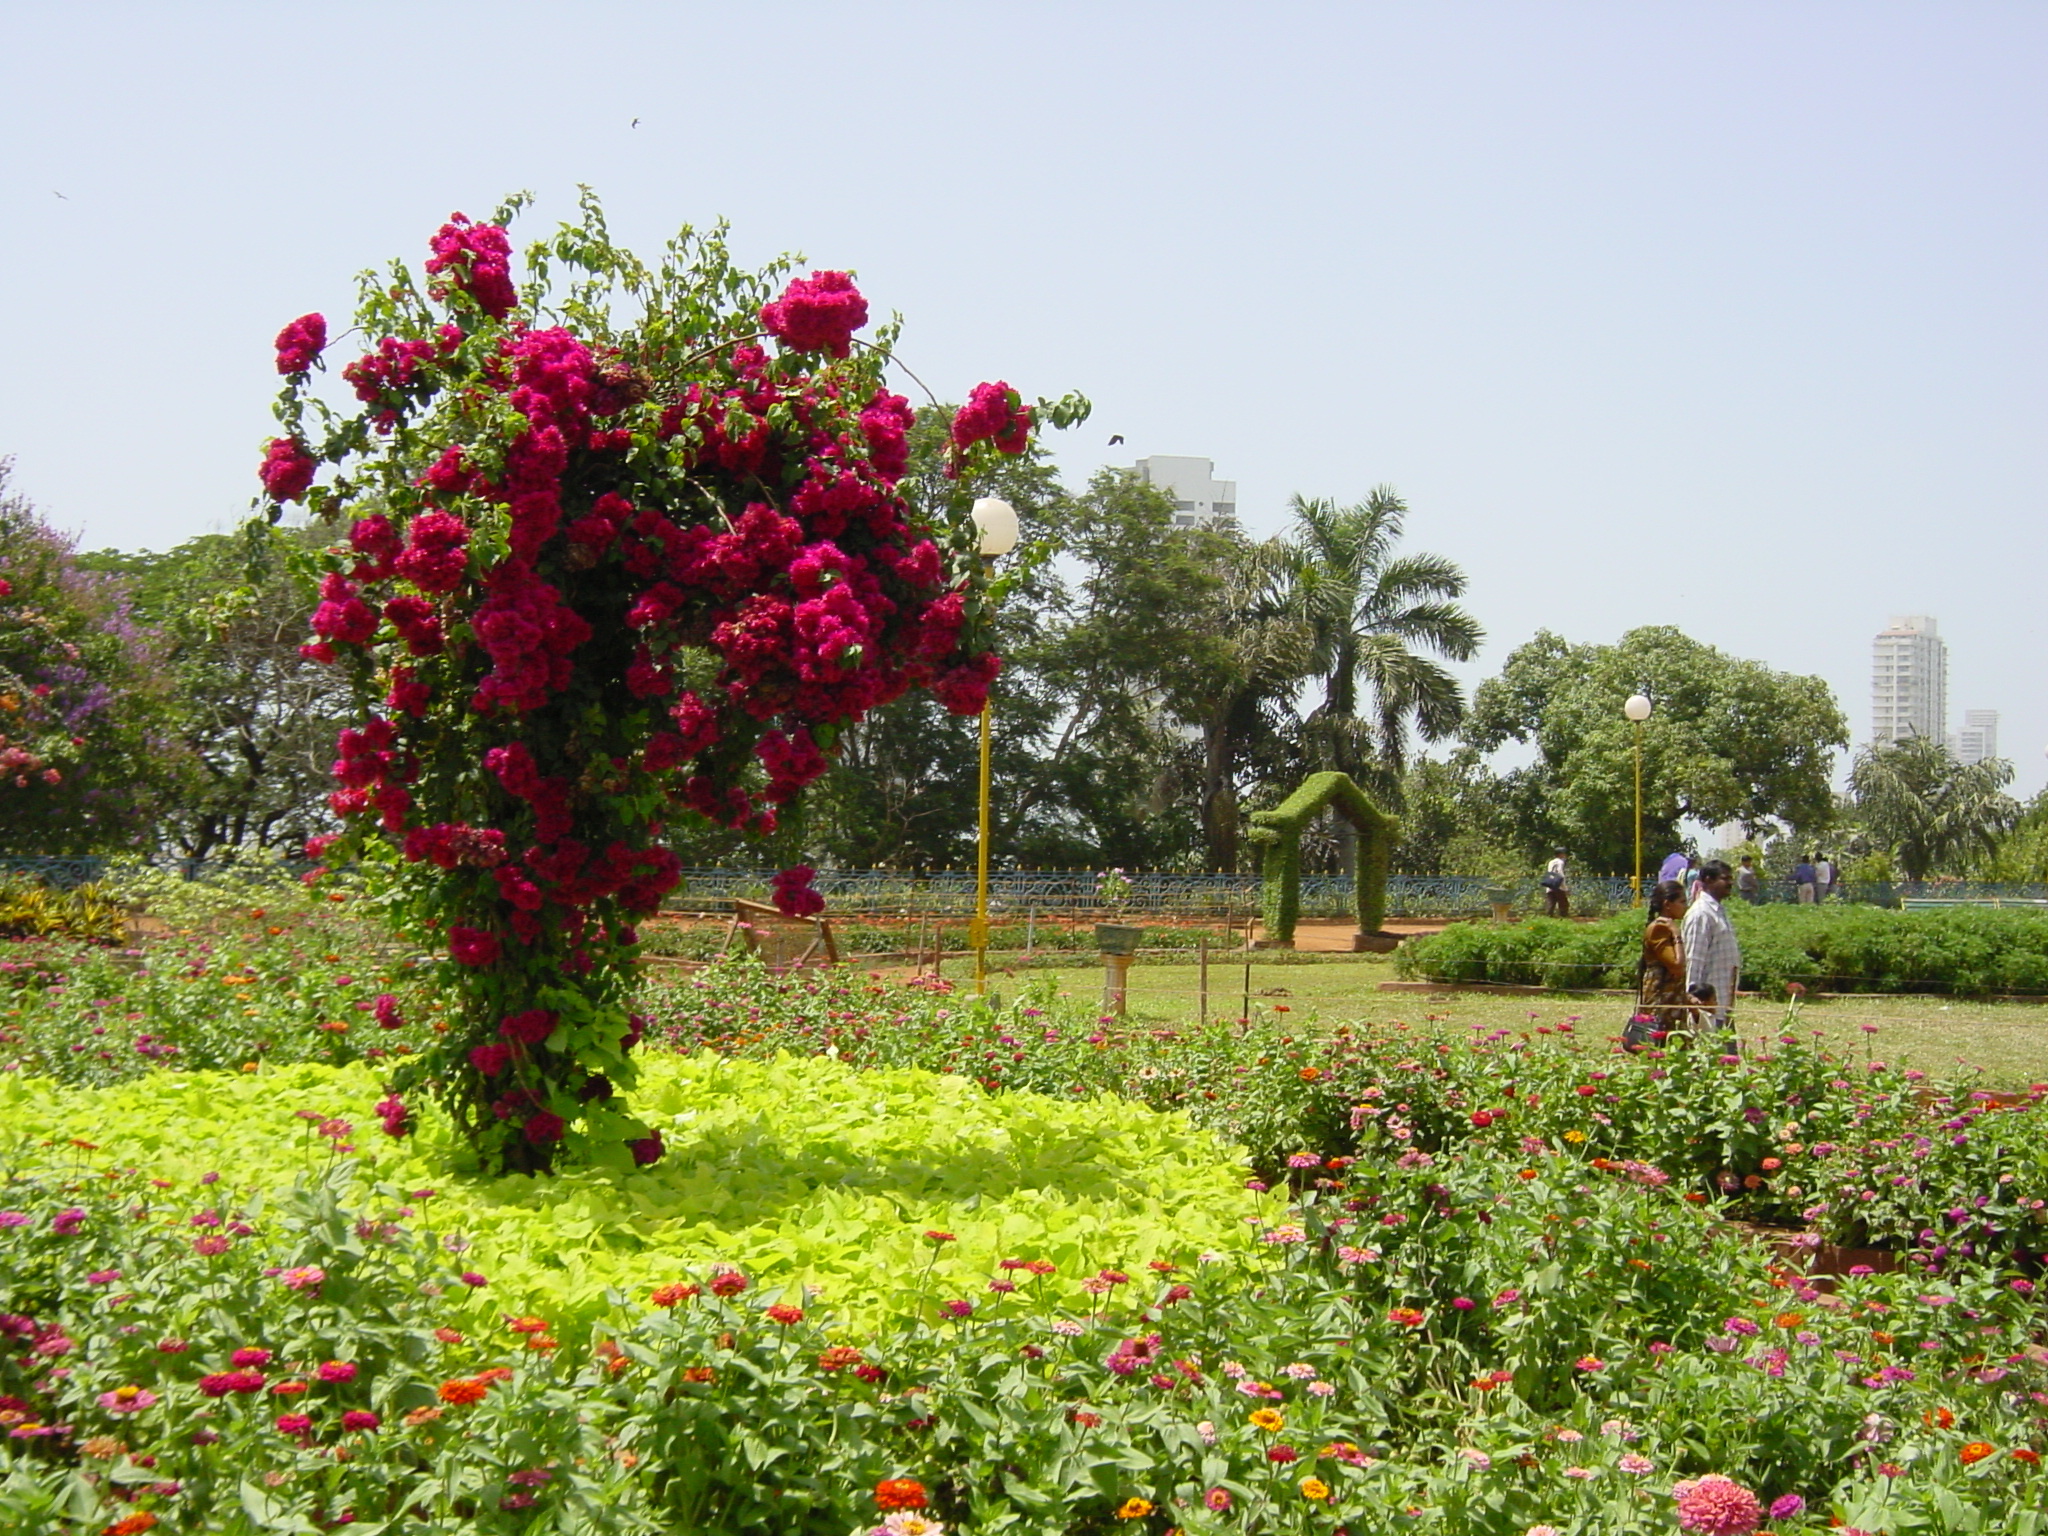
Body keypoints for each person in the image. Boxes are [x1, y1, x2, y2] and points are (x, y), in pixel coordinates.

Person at [1625, 878, 1693, 1049]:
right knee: (1658, 1046)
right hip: (1660, 997)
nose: (1686, 906)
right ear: (1667, 904)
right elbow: (1676, 965)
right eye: (1682, 901)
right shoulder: (1660, 928)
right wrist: (1677, 935)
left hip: (1671, 997)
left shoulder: (1668, 926)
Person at [1683, 859, 1742, 1032]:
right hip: (1706, 1012)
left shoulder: (1717, 911)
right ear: (1708, 880)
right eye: (1725, 878)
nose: (1730, 883)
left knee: (1727, 1058)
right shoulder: (1701, 914)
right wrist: (1693, 1007)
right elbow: (1693, 961)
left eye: (1731, 878)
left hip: (1723, 1005)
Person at [1541, 850, 1570, 918]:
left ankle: (1548, 918)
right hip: (1559, 885)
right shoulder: (1560, 862)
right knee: (1564, 904)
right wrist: (1565, 888)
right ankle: (1563, 919)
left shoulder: (1551, 862)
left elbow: (1550, 873)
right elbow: (1560, 874)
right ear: (1561, 854)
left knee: (1551, 903)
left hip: (1550, 884)